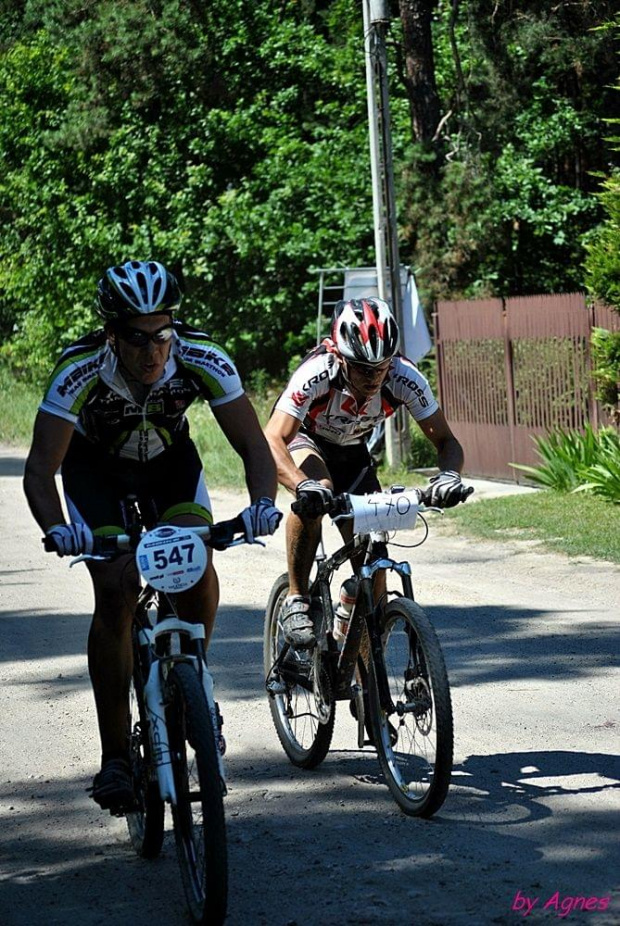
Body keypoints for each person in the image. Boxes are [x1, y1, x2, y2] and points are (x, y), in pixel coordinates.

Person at [24, 259, 281, 811]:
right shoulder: (79, 368)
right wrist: (57, 530)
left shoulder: (201, 356)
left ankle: (194, 683)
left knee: (194, 560)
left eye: (161, 335)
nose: (151, 351)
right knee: (116, 587)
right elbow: (41, 469)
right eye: (136, 338)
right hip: (97, 472)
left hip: (170, 467)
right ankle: (115, 757)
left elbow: (256, 447)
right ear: (111, 335)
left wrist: (262, 505)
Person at [264, 296, 468, 649]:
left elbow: (447, 441)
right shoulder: (316, 373)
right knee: (318, 488)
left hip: (353, 453)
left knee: (373, 569)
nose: (374, 377)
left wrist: (449, 476)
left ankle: (364, 676)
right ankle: (297, 598)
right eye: (362, 368)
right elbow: (273, 438)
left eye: (382, 367)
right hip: (305, 439)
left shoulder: (404, 376)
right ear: (339, 356)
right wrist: (301, 485)